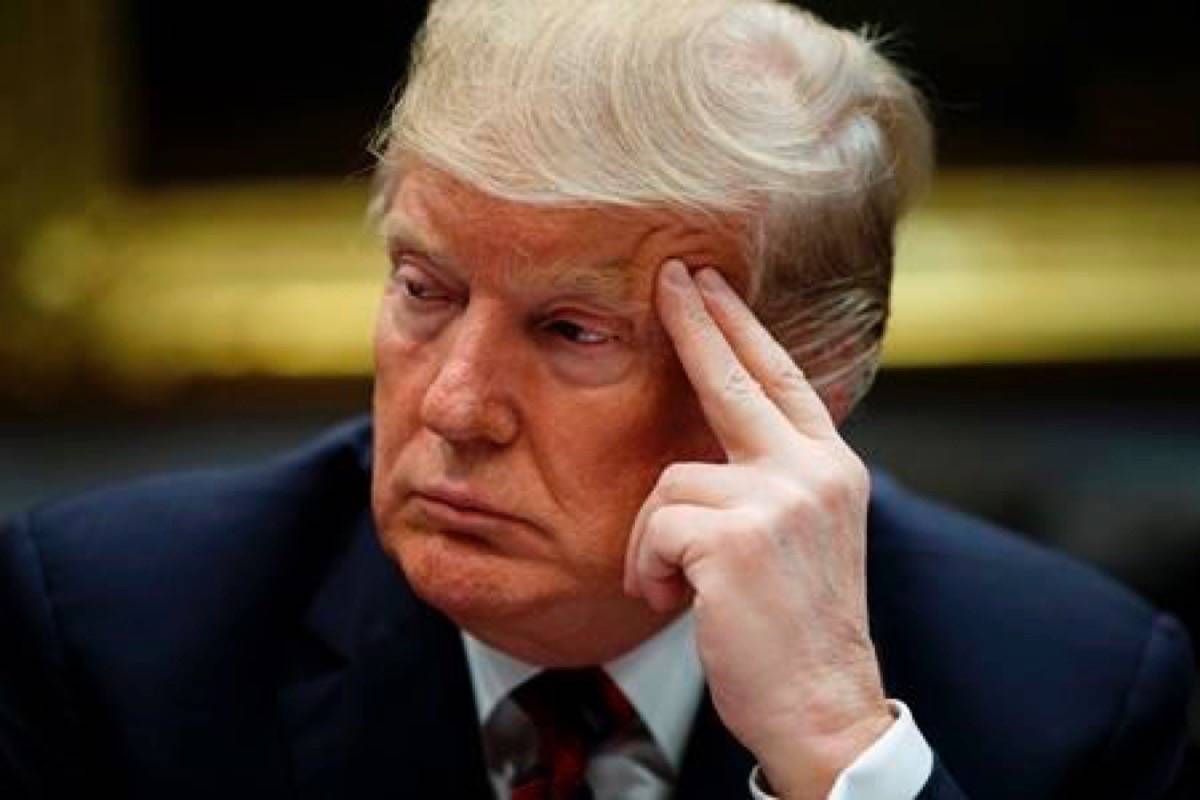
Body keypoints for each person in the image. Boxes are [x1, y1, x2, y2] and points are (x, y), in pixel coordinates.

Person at [1, 0, 1193, 798]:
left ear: (803, 383)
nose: (457, 407)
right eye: (425, 288)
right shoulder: (111, 637)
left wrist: (838, 757)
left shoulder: (1075, 696)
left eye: (573, 330)